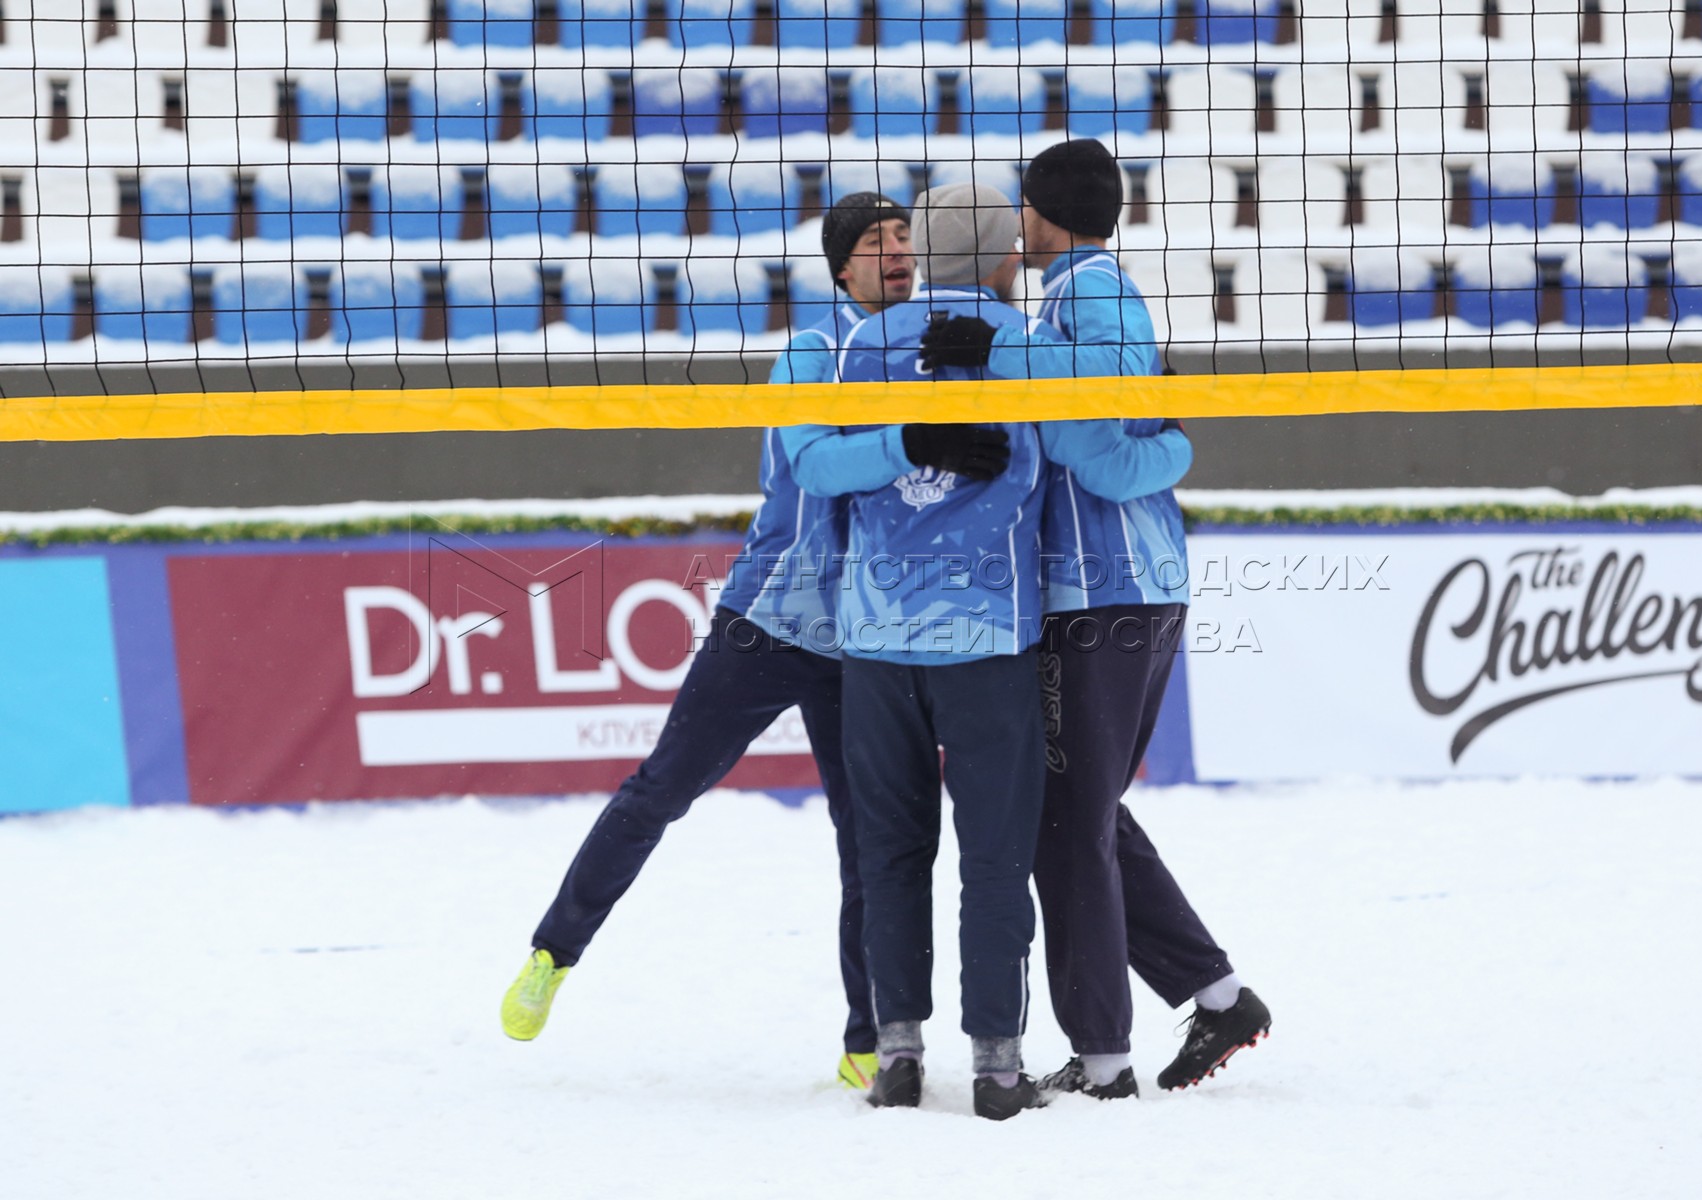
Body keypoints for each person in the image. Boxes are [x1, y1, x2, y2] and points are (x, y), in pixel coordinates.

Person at [780, 182, 1197, 1120]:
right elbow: (1093, 459)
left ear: (919, 254)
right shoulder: (1030, 349)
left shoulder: (842, 349)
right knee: (998, 861)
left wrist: (901, 444)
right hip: (989, 640)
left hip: (877, 641)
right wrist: (1175, 438)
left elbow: (813, 468)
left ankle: (896, 1057)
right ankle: (998, 1071)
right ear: (1008, 255)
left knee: (890, 855)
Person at [499, 194, 916, 1094]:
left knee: (868, 843)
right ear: (841, 265)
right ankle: (553, 953)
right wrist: (913, 439)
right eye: (877, 240)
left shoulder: (927, 349)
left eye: (905, 238)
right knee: (662, 789)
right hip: (771, 618)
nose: (898, 251)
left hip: (869, 633)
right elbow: (817, 469)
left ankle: (868, 1041)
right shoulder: (814, 350)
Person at [921, 141, 1273, 1099]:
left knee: (1067, 823)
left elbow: (1101, 455)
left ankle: (1107, 1059)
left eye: (1021, 211)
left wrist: (1001, 351)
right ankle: (1217, 996)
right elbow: (1120, 433)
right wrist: (1173, 440)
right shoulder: (1085, 298)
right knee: (1085, 811)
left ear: (1039, 216)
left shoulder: (1088, 294)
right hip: (1125, 587)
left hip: (1101, 592)